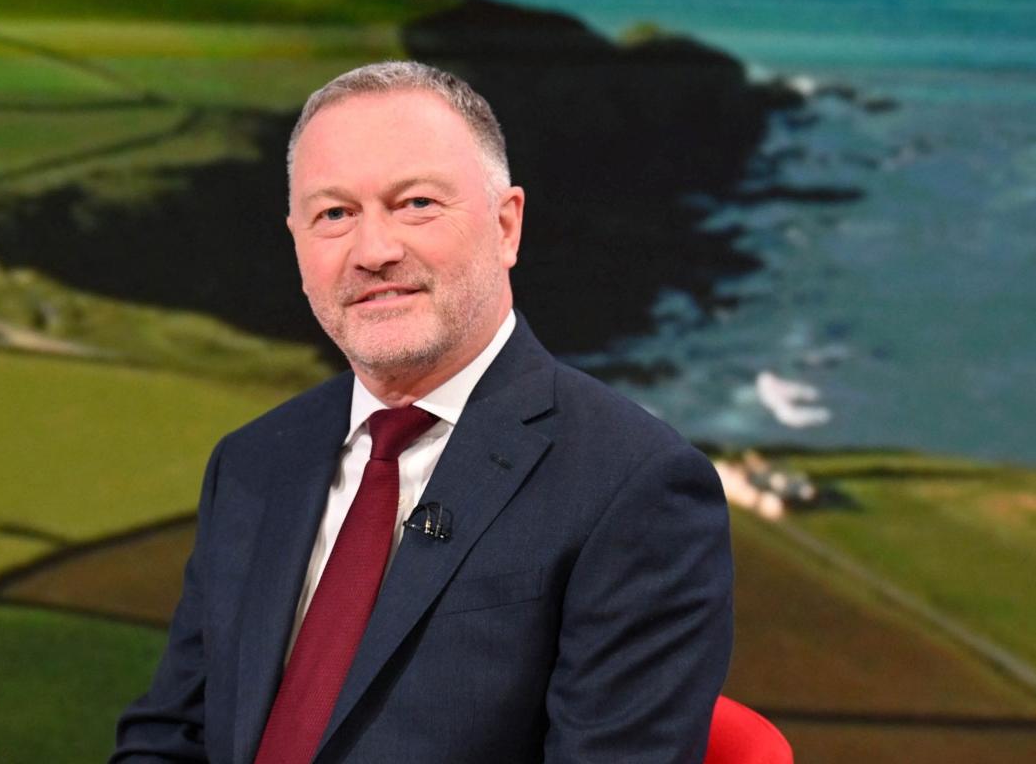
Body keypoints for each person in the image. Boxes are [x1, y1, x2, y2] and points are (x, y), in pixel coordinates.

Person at [112, 61, 732, 764]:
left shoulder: (634, 486)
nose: (374, 251)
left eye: (415, 204)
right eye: (335, 215)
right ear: (297, 246)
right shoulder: (253, 461)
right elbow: (173, 735)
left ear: (505, 226)